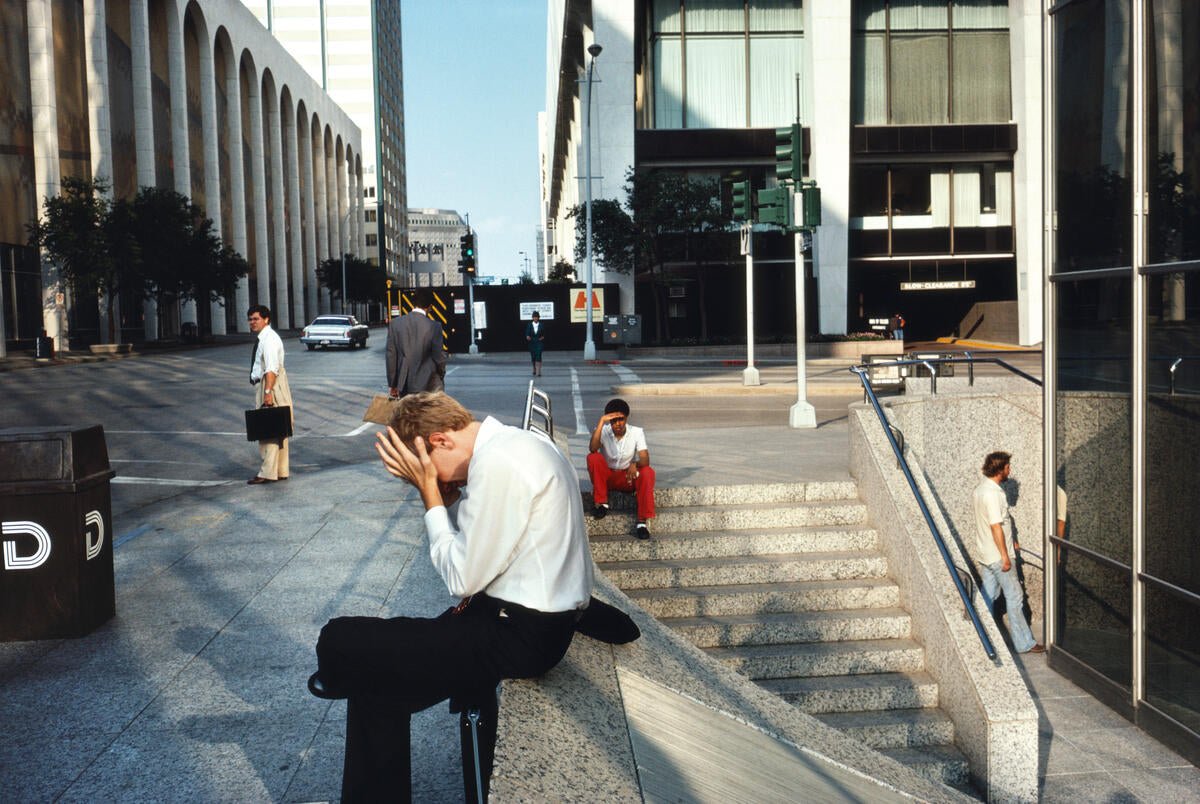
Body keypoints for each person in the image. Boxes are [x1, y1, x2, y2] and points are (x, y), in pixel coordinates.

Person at [311, 391, 593, 801]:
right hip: (522, 623)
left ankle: (339, 676)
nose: (440, 478)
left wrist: (430, 498)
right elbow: (487, 545)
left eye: (428, 467)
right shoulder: (518, 444)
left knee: (339, 637)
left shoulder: (498, 463)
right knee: (376, 680)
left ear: (440, 440)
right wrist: (447, 497)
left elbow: (461, 577)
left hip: (518, 635)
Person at [972, 451, 1043, 654]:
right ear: (1000, 468)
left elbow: (993, 524)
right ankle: (1024, 643)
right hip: (997, 556)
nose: (1009, 470)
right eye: (1007, 467)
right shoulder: (993, 494)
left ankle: (975, 632)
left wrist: (1013, 542)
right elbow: (995, 526)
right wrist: (1005, 556)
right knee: (1015, 597)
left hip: (985, 553)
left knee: (989, 594)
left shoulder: (980, 489)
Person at [587, 398, 656, 540]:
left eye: (621, 419)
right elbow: (593, 448)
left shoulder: (637, 432)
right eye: (613, 420)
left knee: (647, 472)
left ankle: (642, 522)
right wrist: (601, 422)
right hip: (607, 478)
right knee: (593, 457)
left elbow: (645, 459)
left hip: (627, 478)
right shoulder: (603, 431)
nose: (618, 424)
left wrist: (635, 464)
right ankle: (602, 503)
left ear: (626, 418)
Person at [247, 305, 293, 484]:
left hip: (270, 383)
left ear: (266, 319)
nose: (252, 322)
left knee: (268, 430)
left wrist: (267, 392)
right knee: (278, 427)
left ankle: (267, 473)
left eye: (256, 319)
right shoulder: (265, 338)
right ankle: (280, 470)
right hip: (272, 383)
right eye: (250, 319)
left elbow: (271, 368)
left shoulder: (269, 339)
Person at [386, 288, 446, 398]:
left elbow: (391, 356)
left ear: (413, 303)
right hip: (429, 383)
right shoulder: (434, 326)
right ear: (429, 306)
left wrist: (393, 384)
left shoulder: (395, 324)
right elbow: (439, 357)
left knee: (409, 414)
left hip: (404, 383)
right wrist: (441, 375)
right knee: (427, 414)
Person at [525, 310, 545, 376]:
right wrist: (527, 336)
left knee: (538, 356)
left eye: (536, 317)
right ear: (532, 318)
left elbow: (544, 334)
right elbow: (527, 333)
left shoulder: (541, 325)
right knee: (533, 357)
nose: (535, 318)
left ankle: (539, 371)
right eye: (534, 317)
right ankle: (534, 368)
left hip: (539, 342)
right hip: (532, 343)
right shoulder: (529, 325)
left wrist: (542, 337)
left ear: (538, 318)